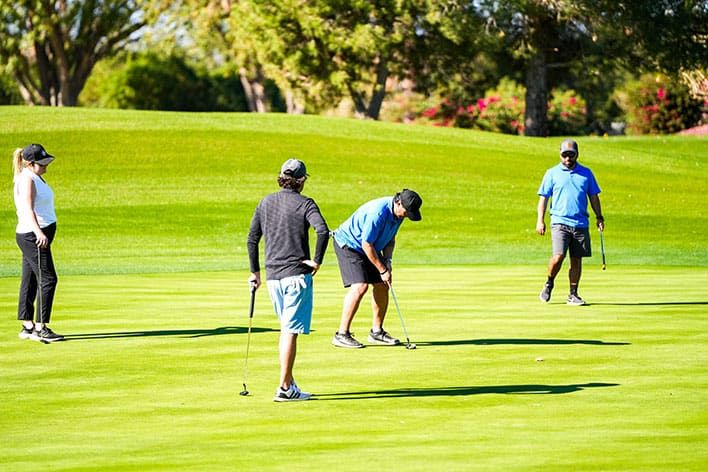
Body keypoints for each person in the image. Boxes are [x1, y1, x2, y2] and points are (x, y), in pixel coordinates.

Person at [247, 158, 329, 402]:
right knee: (290, 332)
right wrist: (317, 260)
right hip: (296, 276)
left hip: (273, 278)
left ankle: (290, 383)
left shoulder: (265, 202)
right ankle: (283, 387)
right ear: (301, 181)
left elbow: (252, 238)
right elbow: (323, 231)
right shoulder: (305, 203)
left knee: (286, 329)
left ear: (282, 177)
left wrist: (255, 273)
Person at [331, 189, 423, 348]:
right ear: (398, 202)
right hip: (349, 244)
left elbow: (390, 239)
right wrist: (382, 270)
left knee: (382, 285)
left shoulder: (399, 214)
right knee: (360, 286)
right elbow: (366, 244)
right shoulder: (378, 213)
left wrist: (387, 262)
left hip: (369, 246)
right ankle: (341, 334)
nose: (406, 216)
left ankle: (376, 332)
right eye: (407, 212)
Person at [536, 139, 605, 306]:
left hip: (581, 223)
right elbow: (543, 198)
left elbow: (593, 197)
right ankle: (549, 282)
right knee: (558, 257)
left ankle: (573, 294)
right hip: (559, 222)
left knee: (576, 260)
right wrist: (540, 220)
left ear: (577, 155)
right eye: (564, 155)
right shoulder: (551, 173)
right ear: (560, 154)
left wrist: (599, 216)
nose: (567, 158)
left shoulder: (586, 173)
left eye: (571, 155)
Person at [12, 144, 64, 342]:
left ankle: (27, 324)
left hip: (31, 235)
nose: (46, 166)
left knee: (31, 278)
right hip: (33, 236)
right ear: (31, 164)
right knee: (48, 279)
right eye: (42, 164)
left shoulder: (33, 176)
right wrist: (39, 232)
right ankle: (41, 328)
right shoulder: (27, 179)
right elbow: (27, 208)